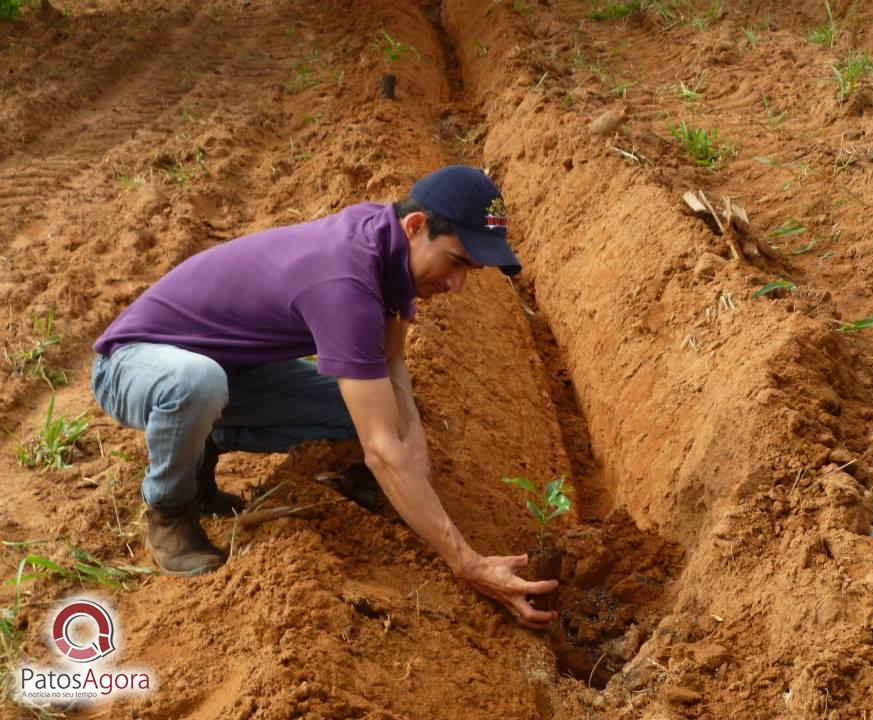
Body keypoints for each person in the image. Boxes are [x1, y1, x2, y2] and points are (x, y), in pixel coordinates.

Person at [91, 165, 557, 628]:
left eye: (470, 270)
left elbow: (392, 361)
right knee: (198, 385)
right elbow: (378, 449)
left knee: (364, 415)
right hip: (134, 363)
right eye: (457, 262)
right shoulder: (345, 281)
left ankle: (204, 443)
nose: (458, 285)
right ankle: (171, 511)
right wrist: (467, 563)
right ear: (416, 227)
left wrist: (414, 442)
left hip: (229, 372)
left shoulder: (388, 245)